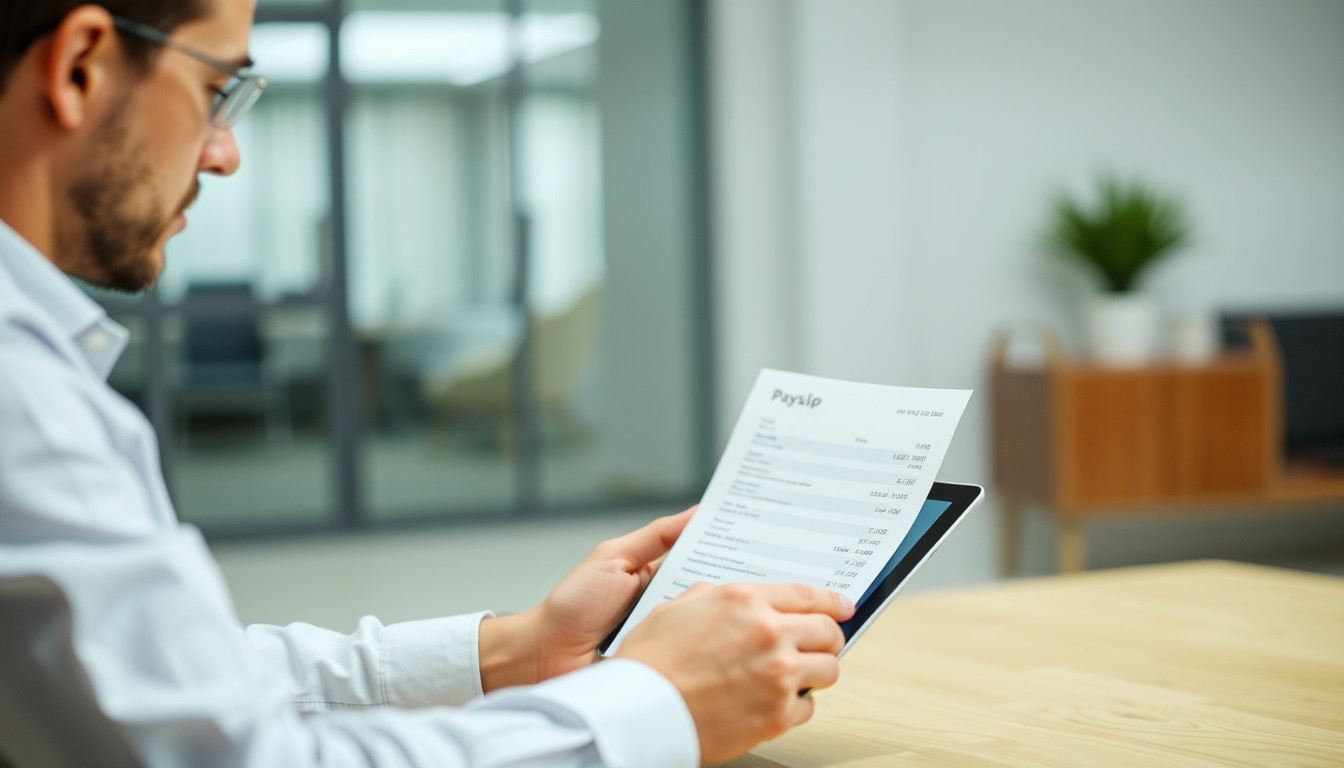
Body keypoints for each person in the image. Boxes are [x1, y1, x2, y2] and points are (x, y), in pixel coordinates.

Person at [0, 1, 855, 766]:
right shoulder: (22, 395)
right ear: (81, 66)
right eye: (218, 88)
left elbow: (167, 683)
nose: (225, 154)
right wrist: (657, 704)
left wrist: (515, 650)